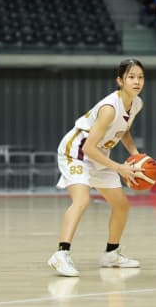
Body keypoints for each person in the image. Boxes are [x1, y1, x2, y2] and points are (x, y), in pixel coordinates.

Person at [48, 58, 146, 276]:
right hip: (77, 151)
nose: (137, 81)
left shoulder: (136, 103)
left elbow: (124, 131)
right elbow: (90, 147)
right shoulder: (110, 108)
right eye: (131, 77)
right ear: (120, 80)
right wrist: (120, 168)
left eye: (140, 77)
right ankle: (61, 254)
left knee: (121, 204)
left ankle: (111, 254)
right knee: (82, 200)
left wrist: (136, 156)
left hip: (99, 155)